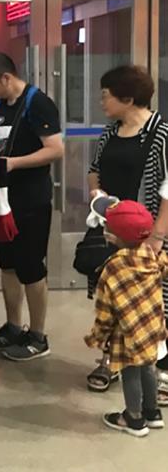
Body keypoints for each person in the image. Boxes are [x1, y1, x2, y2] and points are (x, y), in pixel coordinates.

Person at [0, 53, 64, 361]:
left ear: (6, 78)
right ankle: (13, 326)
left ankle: (38, 335)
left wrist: (14, 163)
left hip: (32, 200)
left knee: (31, 267)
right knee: (8, 264)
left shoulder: (37, 103)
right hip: (4, 200)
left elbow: (55, 149)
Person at [87, 65, 168, 392]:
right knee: (115, 296)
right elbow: (94, 169)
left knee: (152, 300)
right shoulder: (110, 132)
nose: (101, 102)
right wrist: (97, 194)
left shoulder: (161, 133)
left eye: (106, 96)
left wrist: (158, 235)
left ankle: (158, 368)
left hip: (149, 232)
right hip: (113, 230)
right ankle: (112, 360)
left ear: (128, 98)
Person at [85, 197, 167, 437]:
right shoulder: (149, 253)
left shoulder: (113, 267)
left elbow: (105, 310)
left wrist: (97, 336)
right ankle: (152, 412)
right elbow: (164, 266)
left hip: (127, 333)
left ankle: (134, 418)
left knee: (130, 373)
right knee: (148, 368)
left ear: (114, 237)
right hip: (152, 327)